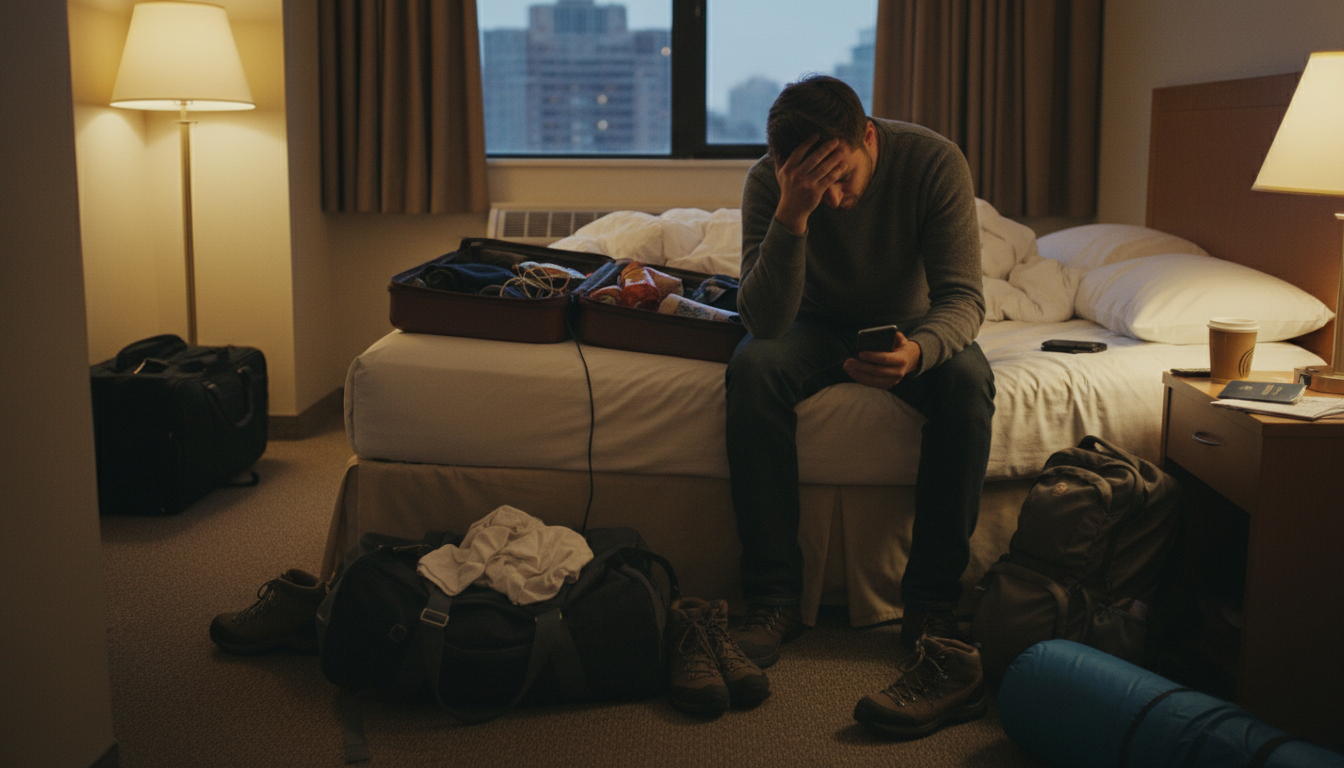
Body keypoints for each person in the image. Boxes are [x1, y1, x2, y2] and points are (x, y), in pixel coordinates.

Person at [724, 74, 996, 739]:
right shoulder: (772, 182)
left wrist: (921, 351)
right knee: (753, 369)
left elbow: (964, 298)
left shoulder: (933, 161)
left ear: (867, 136)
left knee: (968, 384)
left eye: (842, 176)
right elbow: (761, 322)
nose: (837, 200)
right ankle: (773, 599)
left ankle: (931, 607)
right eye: (820, 185)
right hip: (808, 326)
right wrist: (794, 213)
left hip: (908, 326)